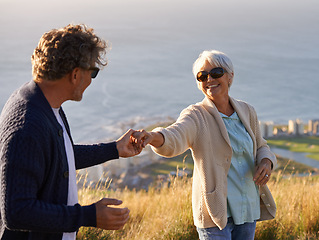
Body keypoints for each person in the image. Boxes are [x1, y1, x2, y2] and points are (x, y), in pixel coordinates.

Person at [0, 24, 142, 240]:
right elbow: (17, 212)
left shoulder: (45, 104)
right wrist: (88, 215)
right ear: (75, 74)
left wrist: (114, 149)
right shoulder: (27, 126)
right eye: (92, 72)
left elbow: (57, 155)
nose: (91, 80)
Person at [132, 50, 277, 240]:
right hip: (214, 214)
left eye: (216, 73)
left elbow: (260, 145)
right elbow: (175, 135)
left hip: (247, 208)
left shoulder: (247, 111)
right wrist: (152, 136)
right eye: (202, 76)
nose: (209, 79)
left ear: (230, 76)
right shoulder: (196, 115)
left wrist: (266, 161)